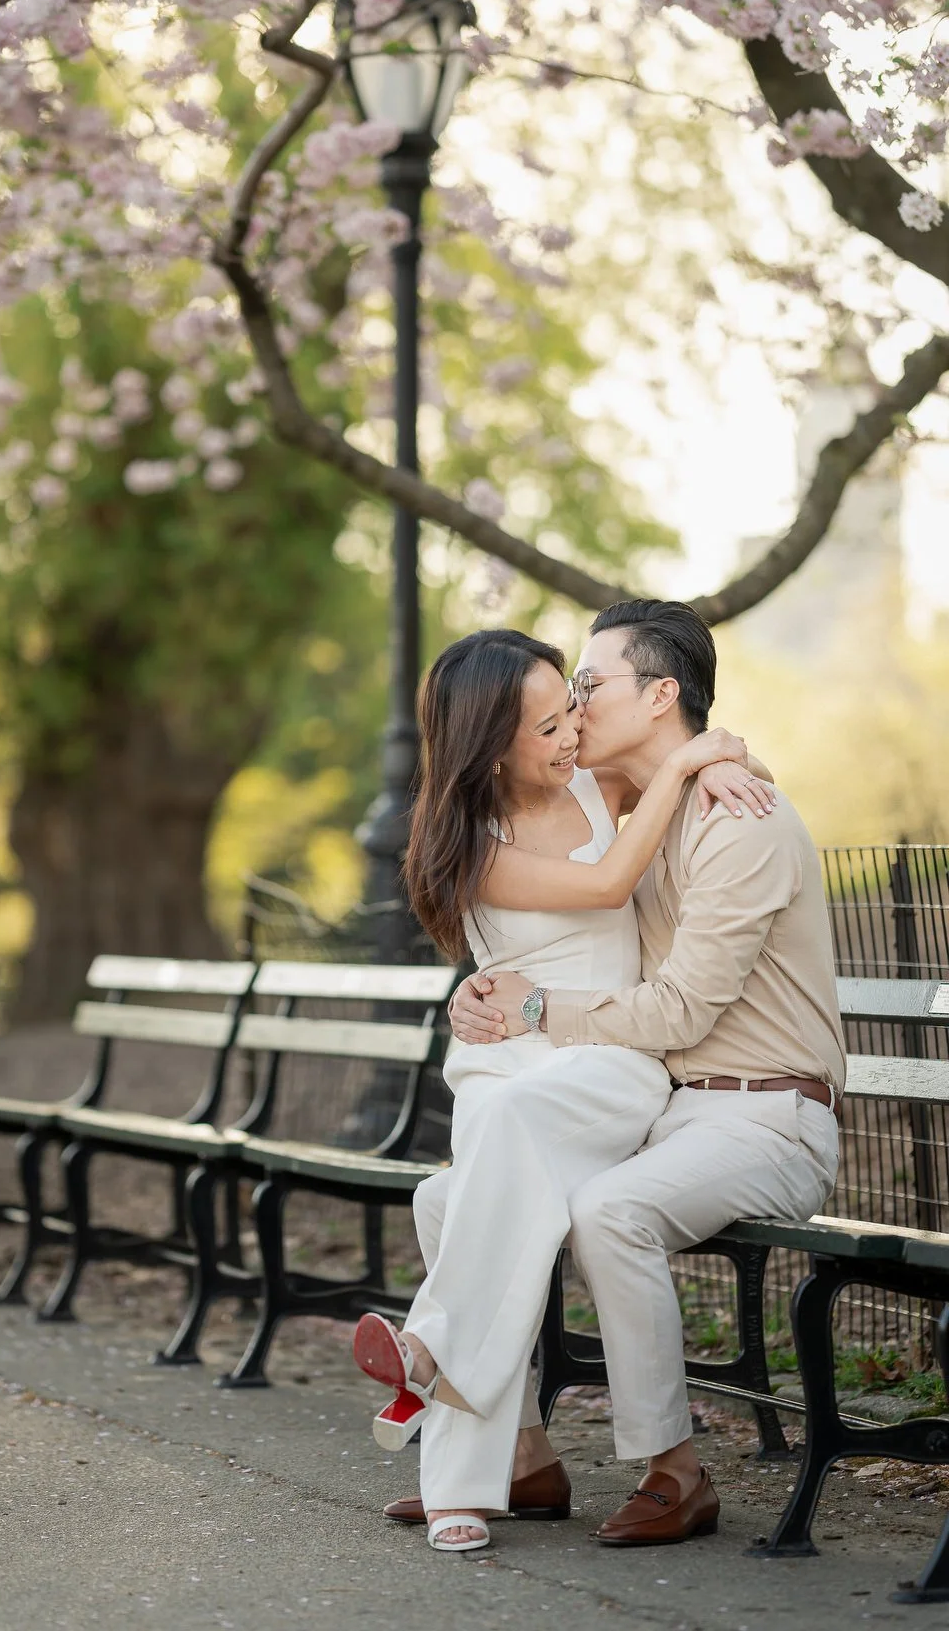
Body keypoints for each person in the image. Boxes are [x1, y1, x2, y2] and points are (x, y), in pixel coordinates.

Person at [351, 625, 773, 1552]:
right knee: (454, 1190)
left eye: (570, 707)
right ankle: (481, 1480)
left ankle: (435, 1352)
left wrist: (716, 751)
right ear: (486, 746)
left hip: (608, 1060)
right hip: (509, 1061)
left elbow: (671, 746)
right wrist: (691, 764)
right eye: (546, 727)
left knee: (459, 1190)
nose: (572, 732)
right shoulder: (468, 844)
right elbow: (610, 883)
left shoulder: (597, 778)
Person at [449, 600, 844, 1549]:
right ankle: (514, 1458)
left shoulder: (733, 816)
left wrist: (535, 1012)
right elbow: (554, 932)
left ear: (661, 694)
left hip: (768, 1118)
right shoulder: (641, 810)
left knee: (608, 1213)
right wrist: (473, 995)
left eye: (589, 686)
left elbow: (678, 1012)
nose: (571, 710)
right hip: (670, 1114)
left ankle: (676, 1470)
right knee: (458, 1191)